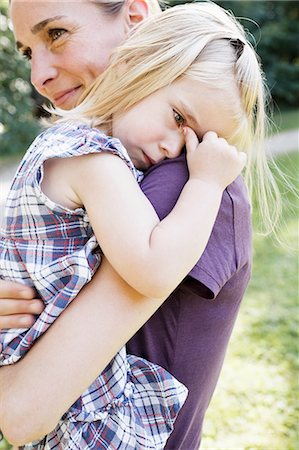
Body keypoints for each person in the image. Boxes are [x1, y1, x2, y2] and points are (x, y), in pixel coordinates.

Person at [0, 1, 280, 448]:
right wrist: (205, 183)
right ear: (139, 64)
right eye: (30, 51)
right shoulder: (97, 158)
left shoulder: (128, 165)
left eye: (55, 33)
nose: (39, 76)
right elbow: (151, 268)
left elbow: (20, 413)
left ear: (135, 16)